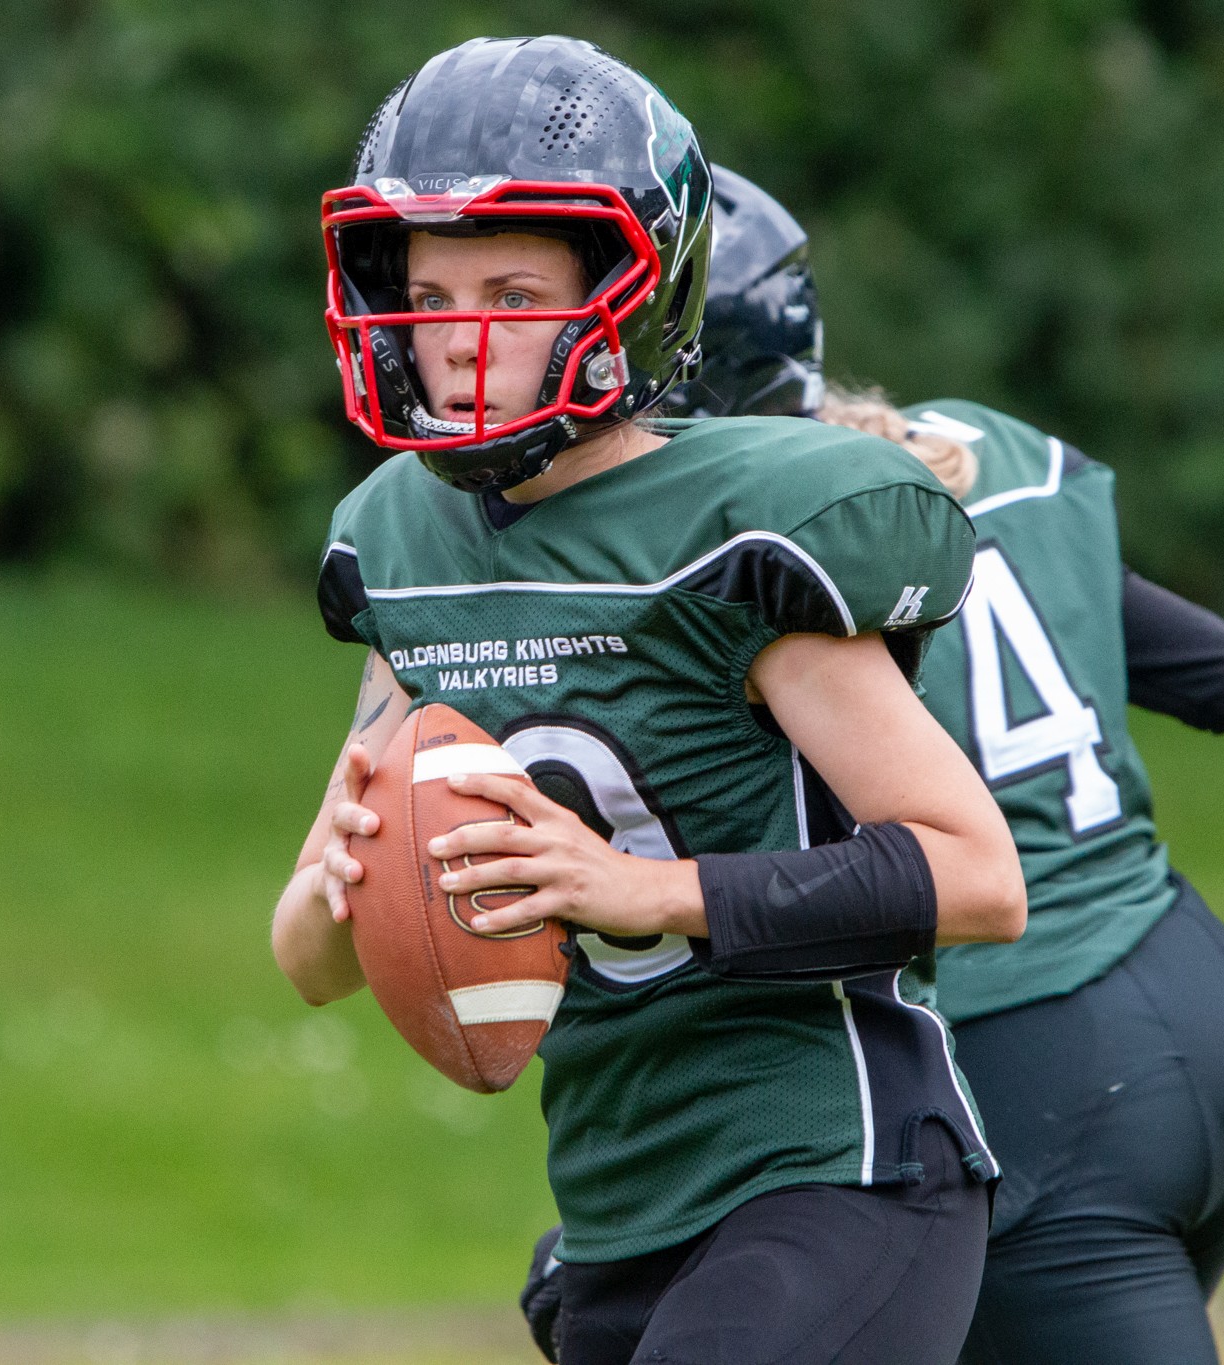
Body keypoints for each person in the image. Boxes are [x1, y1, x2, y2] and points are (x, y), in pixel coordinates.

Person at [525, 165, 1224, 1364]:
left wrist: (645, 1250)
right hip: (1203, 1010)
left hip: (1022, 1067)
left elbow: (768, 903)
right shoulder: (966, 458)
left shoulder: (726, 558)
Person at [269, 40, 1028, 1365]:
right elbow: (307, 960)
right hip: (618, 1205)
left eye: (512, 294)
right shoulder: (398, 542)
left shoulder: (735, 529)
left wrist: (643, 892)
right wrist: (346, 880)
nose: (457, 337)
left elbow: (977, 877)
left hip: (834, 1171)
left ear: (630, 298)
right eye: (431, 294)